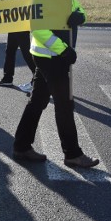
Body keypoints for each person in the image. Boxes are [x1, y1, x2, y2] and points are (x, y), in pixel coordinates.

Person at [12, 13, 99, 168]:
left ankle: (21, 146)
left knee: (37, 102)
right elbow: (38, 28)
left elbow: (75, 6)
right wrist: (64, 49)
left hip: (54, 57)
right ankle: (73, 154)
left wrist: (80, 16)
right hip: (51, 57)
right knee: (64, 105)